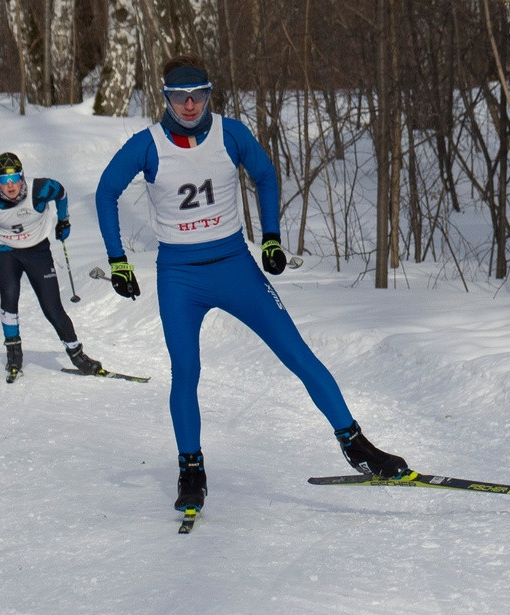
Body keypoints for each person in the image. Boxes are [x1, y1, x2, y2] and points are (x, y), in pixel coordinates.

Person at [94, 54, 409, 513]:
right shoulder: (147, 145)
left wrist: (272, 239)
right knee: (186, 373)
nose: (189, 106)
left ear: (209, 94)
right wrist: (118, 260)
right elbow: (105, 191)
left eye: (198, 96)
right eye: (180, 97)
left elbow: (264, 174)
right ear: (166, 97)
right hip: (179, 277)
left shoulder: (231, 133)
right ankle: (191, 469)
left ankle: (357, 445)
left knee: (297, 352)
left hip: (235, 267)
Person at [0, 152, 101, 382]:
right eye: (3, 180)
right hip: (6, 252)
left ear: (22, 176)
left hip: (37, 251)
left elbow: (61, 192)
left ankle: (77, 354)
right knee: (9, 296)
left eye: (14, 178)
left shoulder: (40, 189)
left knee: (52, 307)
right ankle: (14, 355)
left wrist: (64, 220)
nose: (10, 186)